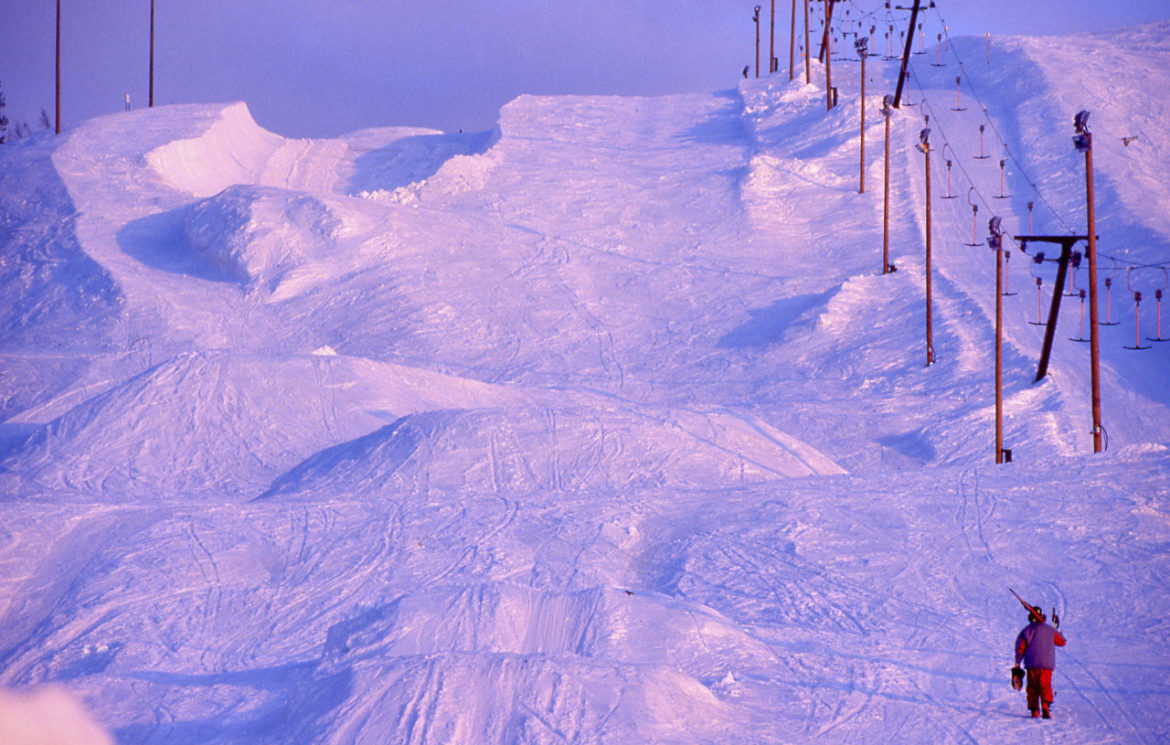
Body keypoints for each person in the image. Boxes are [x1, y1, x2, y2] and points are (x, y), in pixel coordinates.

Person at [1014, 605, 1066, 719]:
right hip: (1046, 664)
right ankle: (1046, 704)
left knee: (1032, 687)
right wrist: (1057, 630)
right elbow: (1062, 642)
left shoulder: (1026, 631)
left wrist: (1017, 662)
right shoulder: (1050, 630)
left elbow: (1020, 648)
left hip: (1032, 663)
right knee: (1045, 685)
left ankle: (1034, 710)